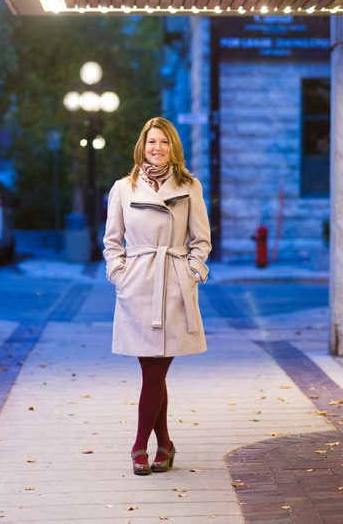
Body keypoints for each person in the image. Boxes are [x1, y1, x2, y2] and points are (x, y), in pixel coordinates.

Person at [103, 116, 211, 476]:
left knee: (154, 371)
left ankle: (140, 446)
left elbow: (202, 240)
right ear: (142, 145)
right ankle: (163, 443)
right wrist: (121, 275)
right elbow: (111, 242)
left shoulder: (189, 186)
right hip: (138, 284)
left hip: (174, 282)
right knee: (152, 370)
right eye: (152, 142)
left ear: (173, 147)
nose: (157, 148)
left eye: (164, 142)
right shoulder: (123, 188)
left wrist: (193, 273)